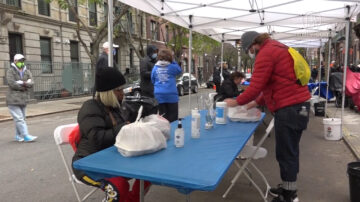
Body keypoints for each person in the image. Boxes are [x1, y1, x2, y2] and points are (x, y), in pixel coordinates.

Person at [225, 31, 311, 202]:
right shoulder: (277, 48)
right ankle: (288, 186)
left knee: (286, 153)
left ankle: (289, 195)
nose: (250, 52)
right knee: (289, 151)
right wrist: (253, 103)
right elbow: (273, 84)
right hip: (298, 106)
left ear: (252, 44)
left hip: (289, 109)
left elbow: (256, 86)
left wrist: (237, 102)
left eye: (249, 49)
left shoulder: (265, 53)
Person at [72, 67, 151, 202]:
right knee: (119, 187)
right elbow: (98, 139)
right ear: (108, 92)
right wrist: (124, 127)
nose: (122, 93)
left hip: (113, 160)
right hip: (88, 165)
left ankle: (131, 200)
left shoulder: (116, 107)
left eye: (122, 89)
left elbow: (127, 125)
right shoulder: (90, 108)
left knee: (149, 173)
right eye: (118, 90)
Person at [6, 54, 38, 142]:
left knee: (21, 119)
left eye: (23, 61)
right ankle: (26, 136)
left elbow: (31, 82)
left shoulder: (27, 71)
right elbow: (12, 83)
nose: (21, 62)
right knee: (19, 119)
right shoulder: (10, 71)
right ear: (15, 61)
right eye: (20, 61)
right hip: (13, 99)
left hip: (23, 99)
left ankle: (18, 136)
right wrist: (25, 85)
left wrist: (22, 83)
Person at [151, 49, 182, 122]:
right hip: (171, 95)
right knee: (173, 118)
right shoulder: (172, 67)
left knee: (163, 118)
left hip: (159, 95)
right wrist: (173, 60)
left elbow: (152, 79)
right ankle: (173, 131)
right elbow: (179, 70)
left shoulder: (155, 68)